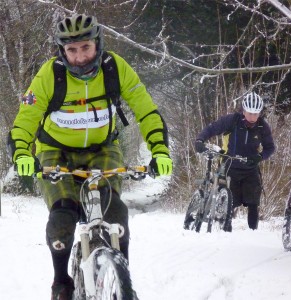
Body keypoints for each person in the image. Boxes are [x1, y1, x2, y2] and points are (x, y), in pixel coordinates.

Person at [8, 14, 172, 300]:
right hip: (54, 150)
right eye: (72, 50)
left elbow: (146, 110)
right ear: (62, 51)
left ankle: (122, 280)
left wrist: (160, 149)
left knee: (115, 212)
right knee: (62, 217)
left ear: (98, 43)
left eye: (85, 48)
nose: (80, 57)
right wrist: (22, 152)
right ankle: (61, 282)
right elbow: (25, 119)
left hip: (102, 148)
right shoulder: (50, 74)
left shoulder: (115, 69)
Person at [194, 92, 275, 231]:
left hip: (250, 168)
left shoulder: (262, 126)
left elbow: (270, 147)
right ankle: (226, 232)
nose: (253, 117)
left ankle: (253, 233)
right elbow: (212, 128)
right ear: (243, 111)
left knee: (253, 202)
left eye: (256, 114)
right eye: (249, 113)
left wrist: (260, 157)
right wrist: (200, 139)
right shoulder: (232, 120)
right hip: (230, 165)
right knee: (230, 202)